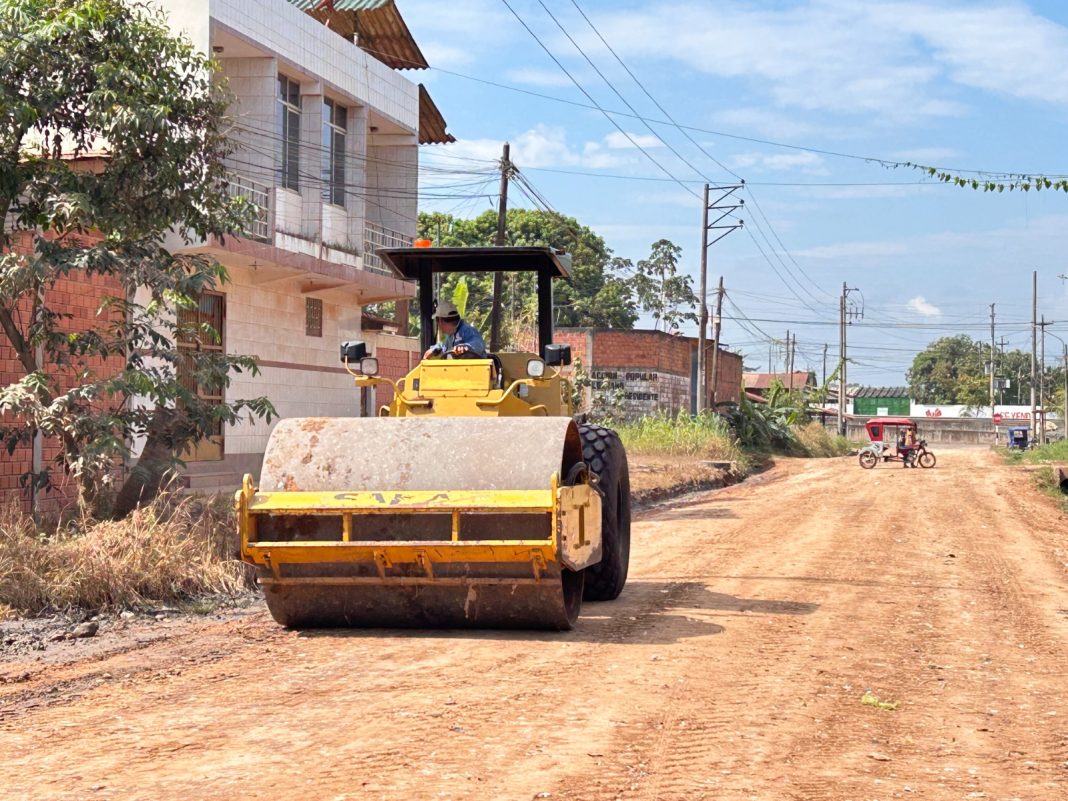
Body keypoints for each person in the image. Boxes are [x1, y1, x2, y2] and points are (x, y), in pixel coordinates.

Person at [422, 300, 486, 360]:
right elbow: (442, 345)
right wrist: (433, 349)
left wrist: (465, 346)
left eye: (437, 321)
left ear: (440, 320)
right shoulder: (449, 335)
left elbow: (478, 344)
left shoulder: (467, 330)